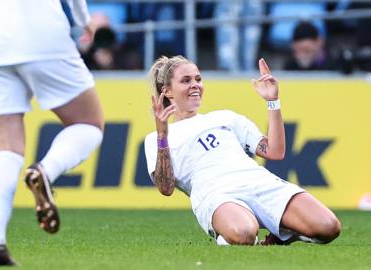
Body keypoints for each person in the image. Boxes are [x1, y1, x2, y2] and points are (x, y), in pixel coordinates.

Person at [0, 0, 104, 266]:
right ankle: (45, 170)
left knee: (4, 153)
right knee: (89, 123)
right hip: (42, 35)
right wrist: (83, 20)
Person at [144, 55, 340, 246]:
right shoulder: (156, 139)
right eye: (186, 80)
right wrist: (163, 136)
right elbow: (166, 188)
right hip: (217, 194)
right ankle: (230, 237)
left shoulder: (225, 118)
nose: (195, 85)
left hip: (257, 181)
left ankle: (283, 235)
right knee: (244, 234)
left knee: (329, 227)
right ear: (167, 91)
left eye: (198, 79)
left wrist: (273, 102)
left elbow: (275, 151)